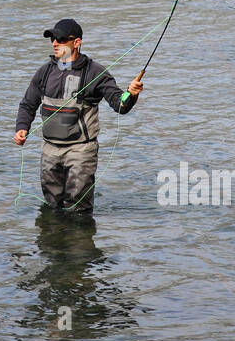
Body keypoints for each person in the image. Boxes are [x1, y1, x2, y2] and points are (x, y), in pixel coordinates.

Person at [14, 18, 144, 215]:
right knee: (51, 206)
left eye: (61, 39)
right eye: (52, 39)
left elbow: (120, 104)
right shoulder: (45, 71)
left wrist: (131, 93)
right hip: (49, 149)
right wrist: (21, 128)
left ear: (77, 43)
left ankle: (79, 241)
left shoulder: (95, 72)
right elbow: (28, 104)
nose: (55, 43)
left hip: (81, 150)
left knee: (78, 209)